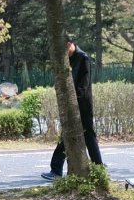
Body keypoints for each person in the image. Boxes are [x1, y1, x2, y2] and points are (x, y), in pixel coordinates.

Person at [43, 36, 104, 180]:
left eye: (64, 50)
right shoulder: (70, 59)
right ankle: (56, 169)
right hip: (73, 104)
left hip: (82, 105)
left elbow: (84, 84)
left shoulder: (83, 58)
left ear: (69, 44)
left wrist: (75, 101)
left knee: (88, 135)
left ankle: (98, 167)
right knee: (66, 135)